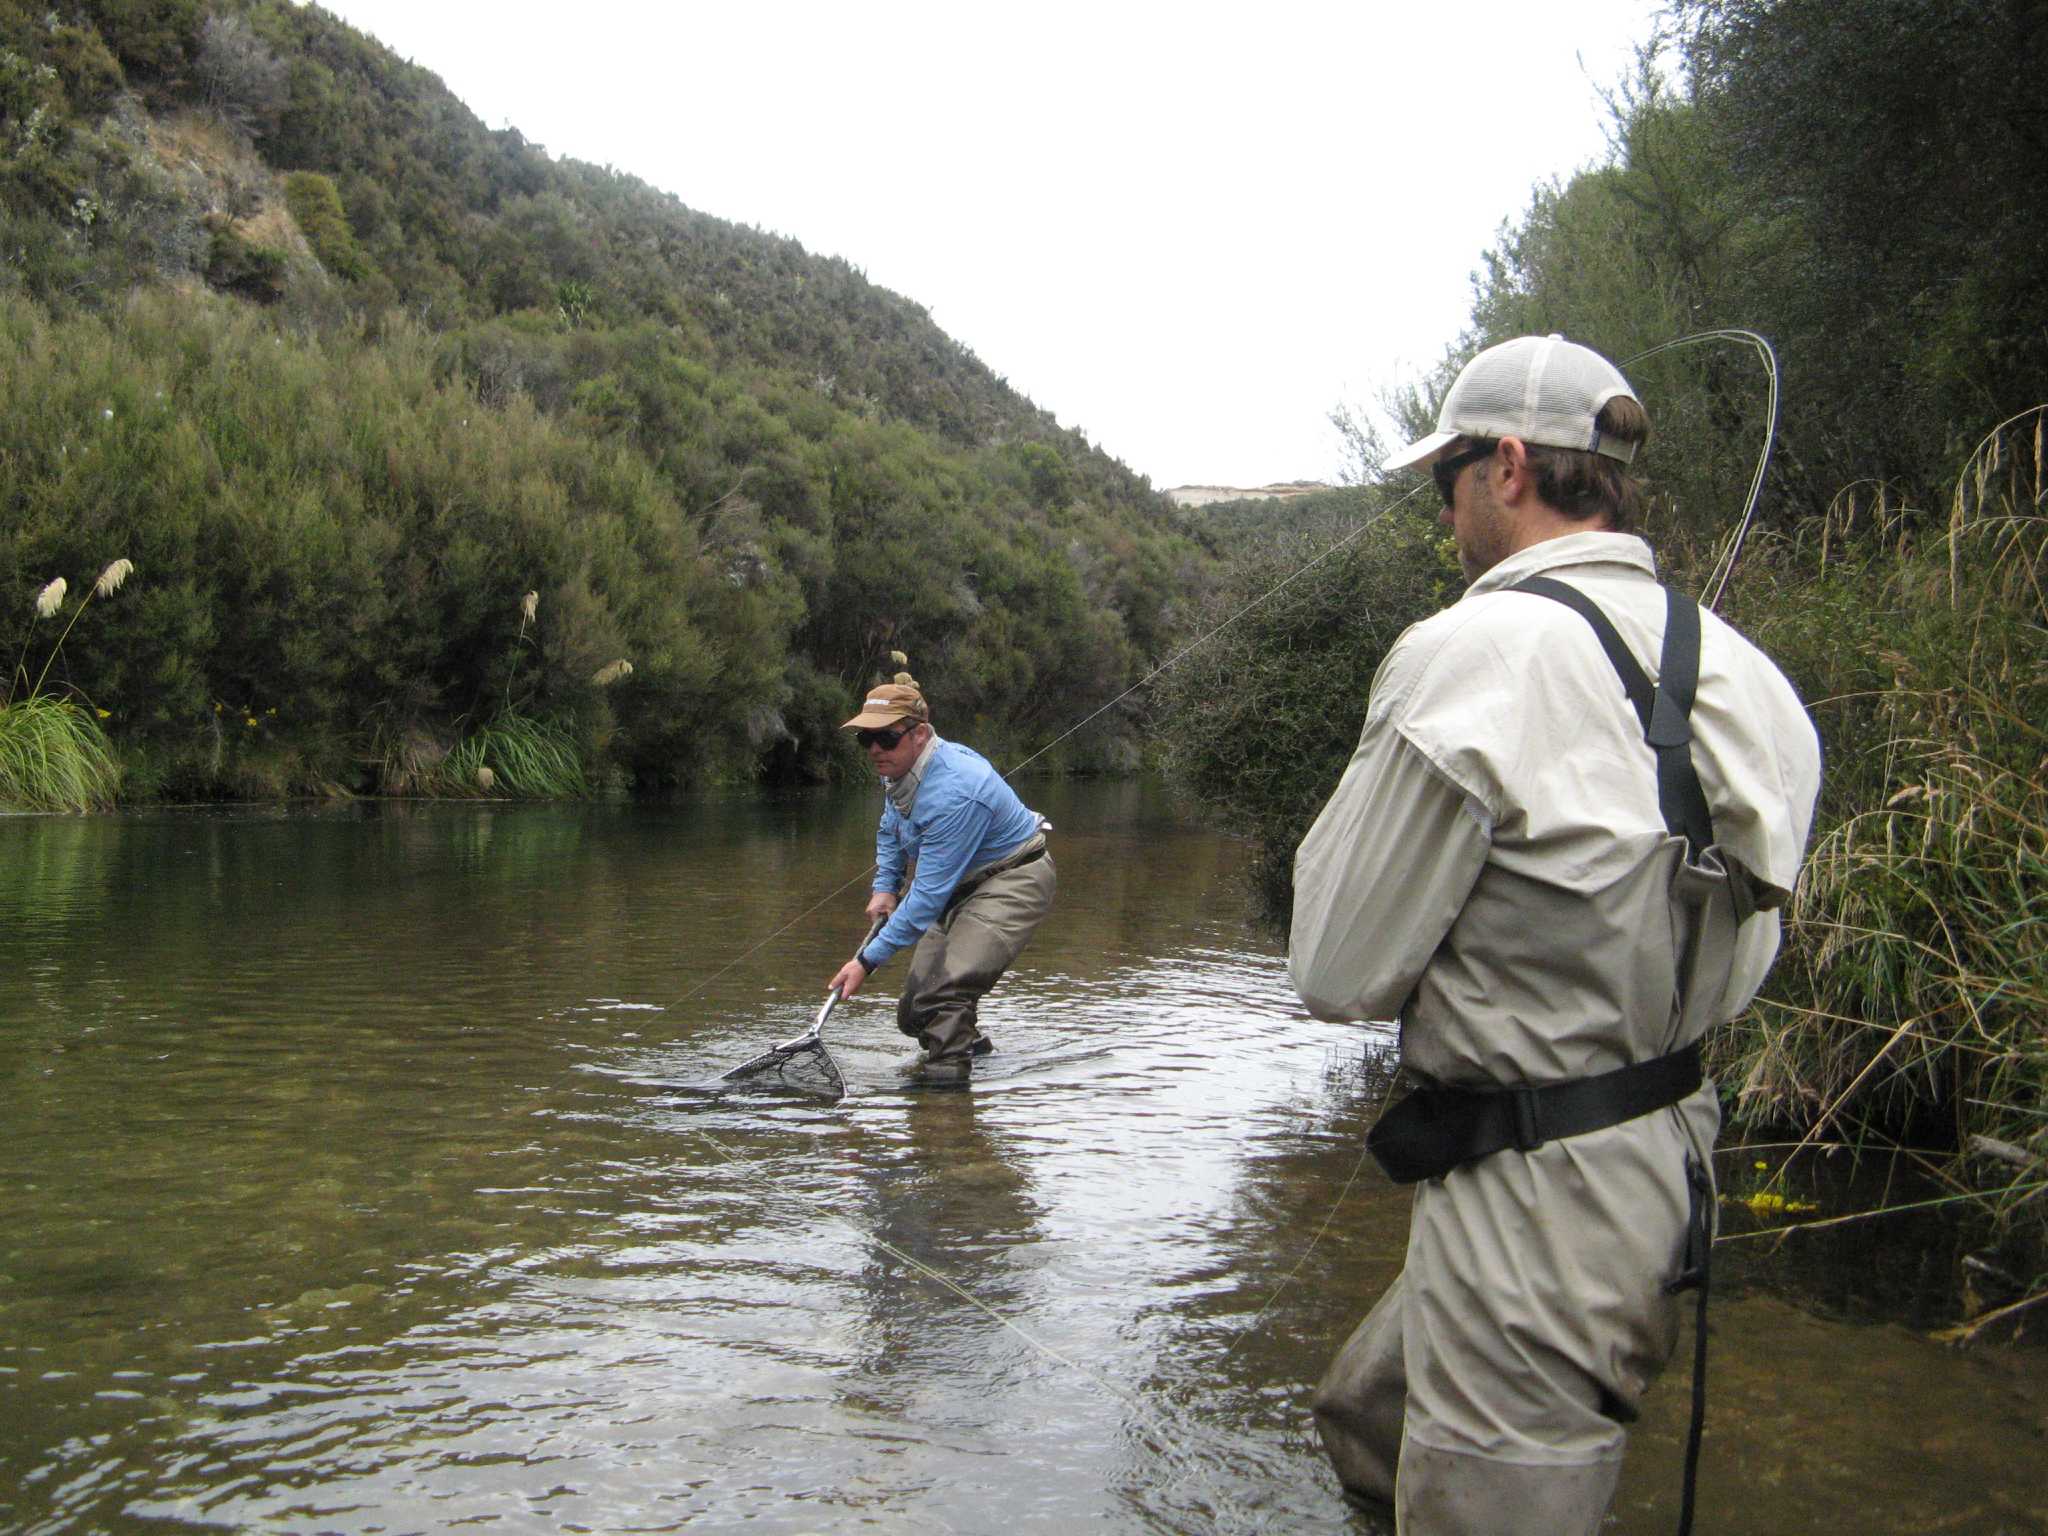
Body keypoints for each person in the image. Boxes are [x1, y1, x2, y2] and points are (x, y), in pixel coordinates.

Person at [1289, 334, 1821, 1533]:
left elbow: (1334, 970)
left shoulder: (1465, 655)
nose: (1445, 511)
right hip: (1666, 1163)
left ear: (1509, 466)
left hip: (1533, 1208)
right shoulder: (1750, 678)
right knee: (1369, 1420)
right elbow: (1746, 962)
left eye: (1447, 480)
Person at [827, 678, 1055, 1085]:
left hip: (1012, 878)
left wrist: (865, 962)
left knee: (943, 995)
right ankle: (971, 1050)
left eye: (886, 738)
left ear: (920, 734)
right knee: (915, 1013)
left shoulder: (956, 792)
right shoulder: (900, 769)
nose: (876, 749)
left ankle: (945, 1113)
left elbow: (926, 900)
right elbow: (890, 828)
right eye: (867, 739)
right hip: (958, 884)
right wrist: (885, 885)